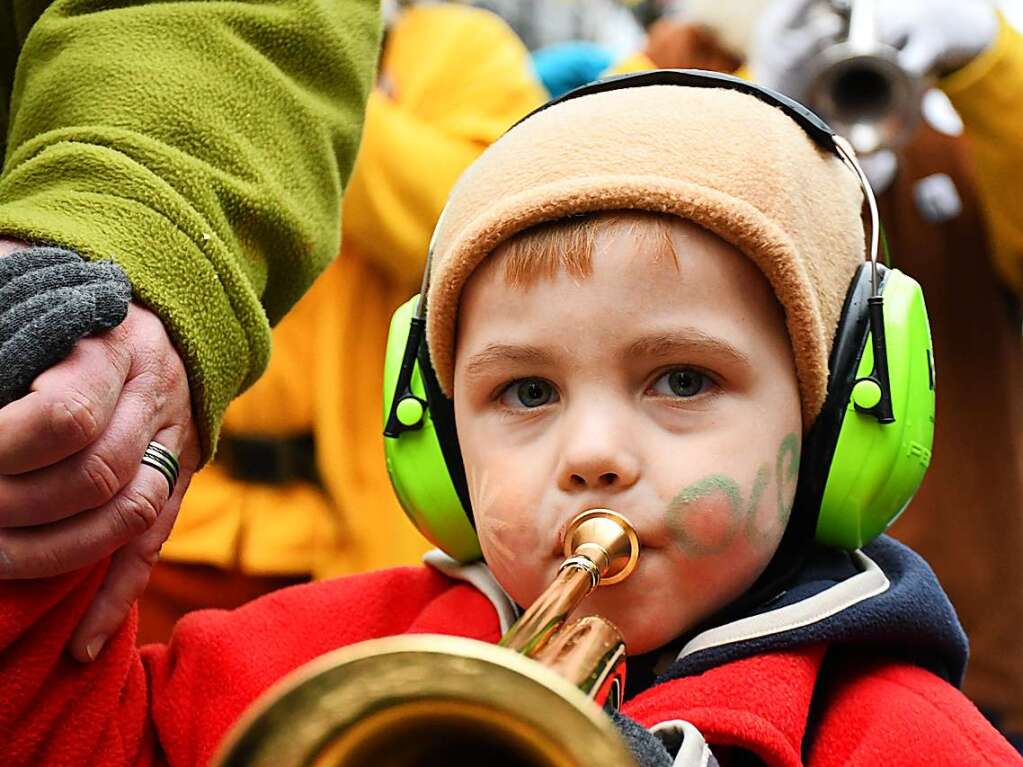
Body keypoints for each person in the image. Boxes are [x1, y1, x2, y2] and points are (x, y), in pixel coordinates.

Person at [3, 72, 1021, 765]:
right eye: (526, 392)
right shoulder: (309, 656)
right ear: (437, 442)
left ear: (843, 425)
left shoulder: (901, 731)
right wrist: (34, 518)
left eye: (681, 379)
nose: (591, 456)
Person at [132, 2, 548, 644]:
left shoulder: (468, 49)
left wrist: (307, 66)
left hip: (367, 540)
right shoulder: (181, 29)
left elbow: (462, 231)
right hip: (166, 513)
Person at [0, 0, 381, 663]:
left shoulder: (460, 50)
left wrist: (136, 221)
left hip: (316, 520)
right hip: (186, 514)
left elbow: (437, 203)